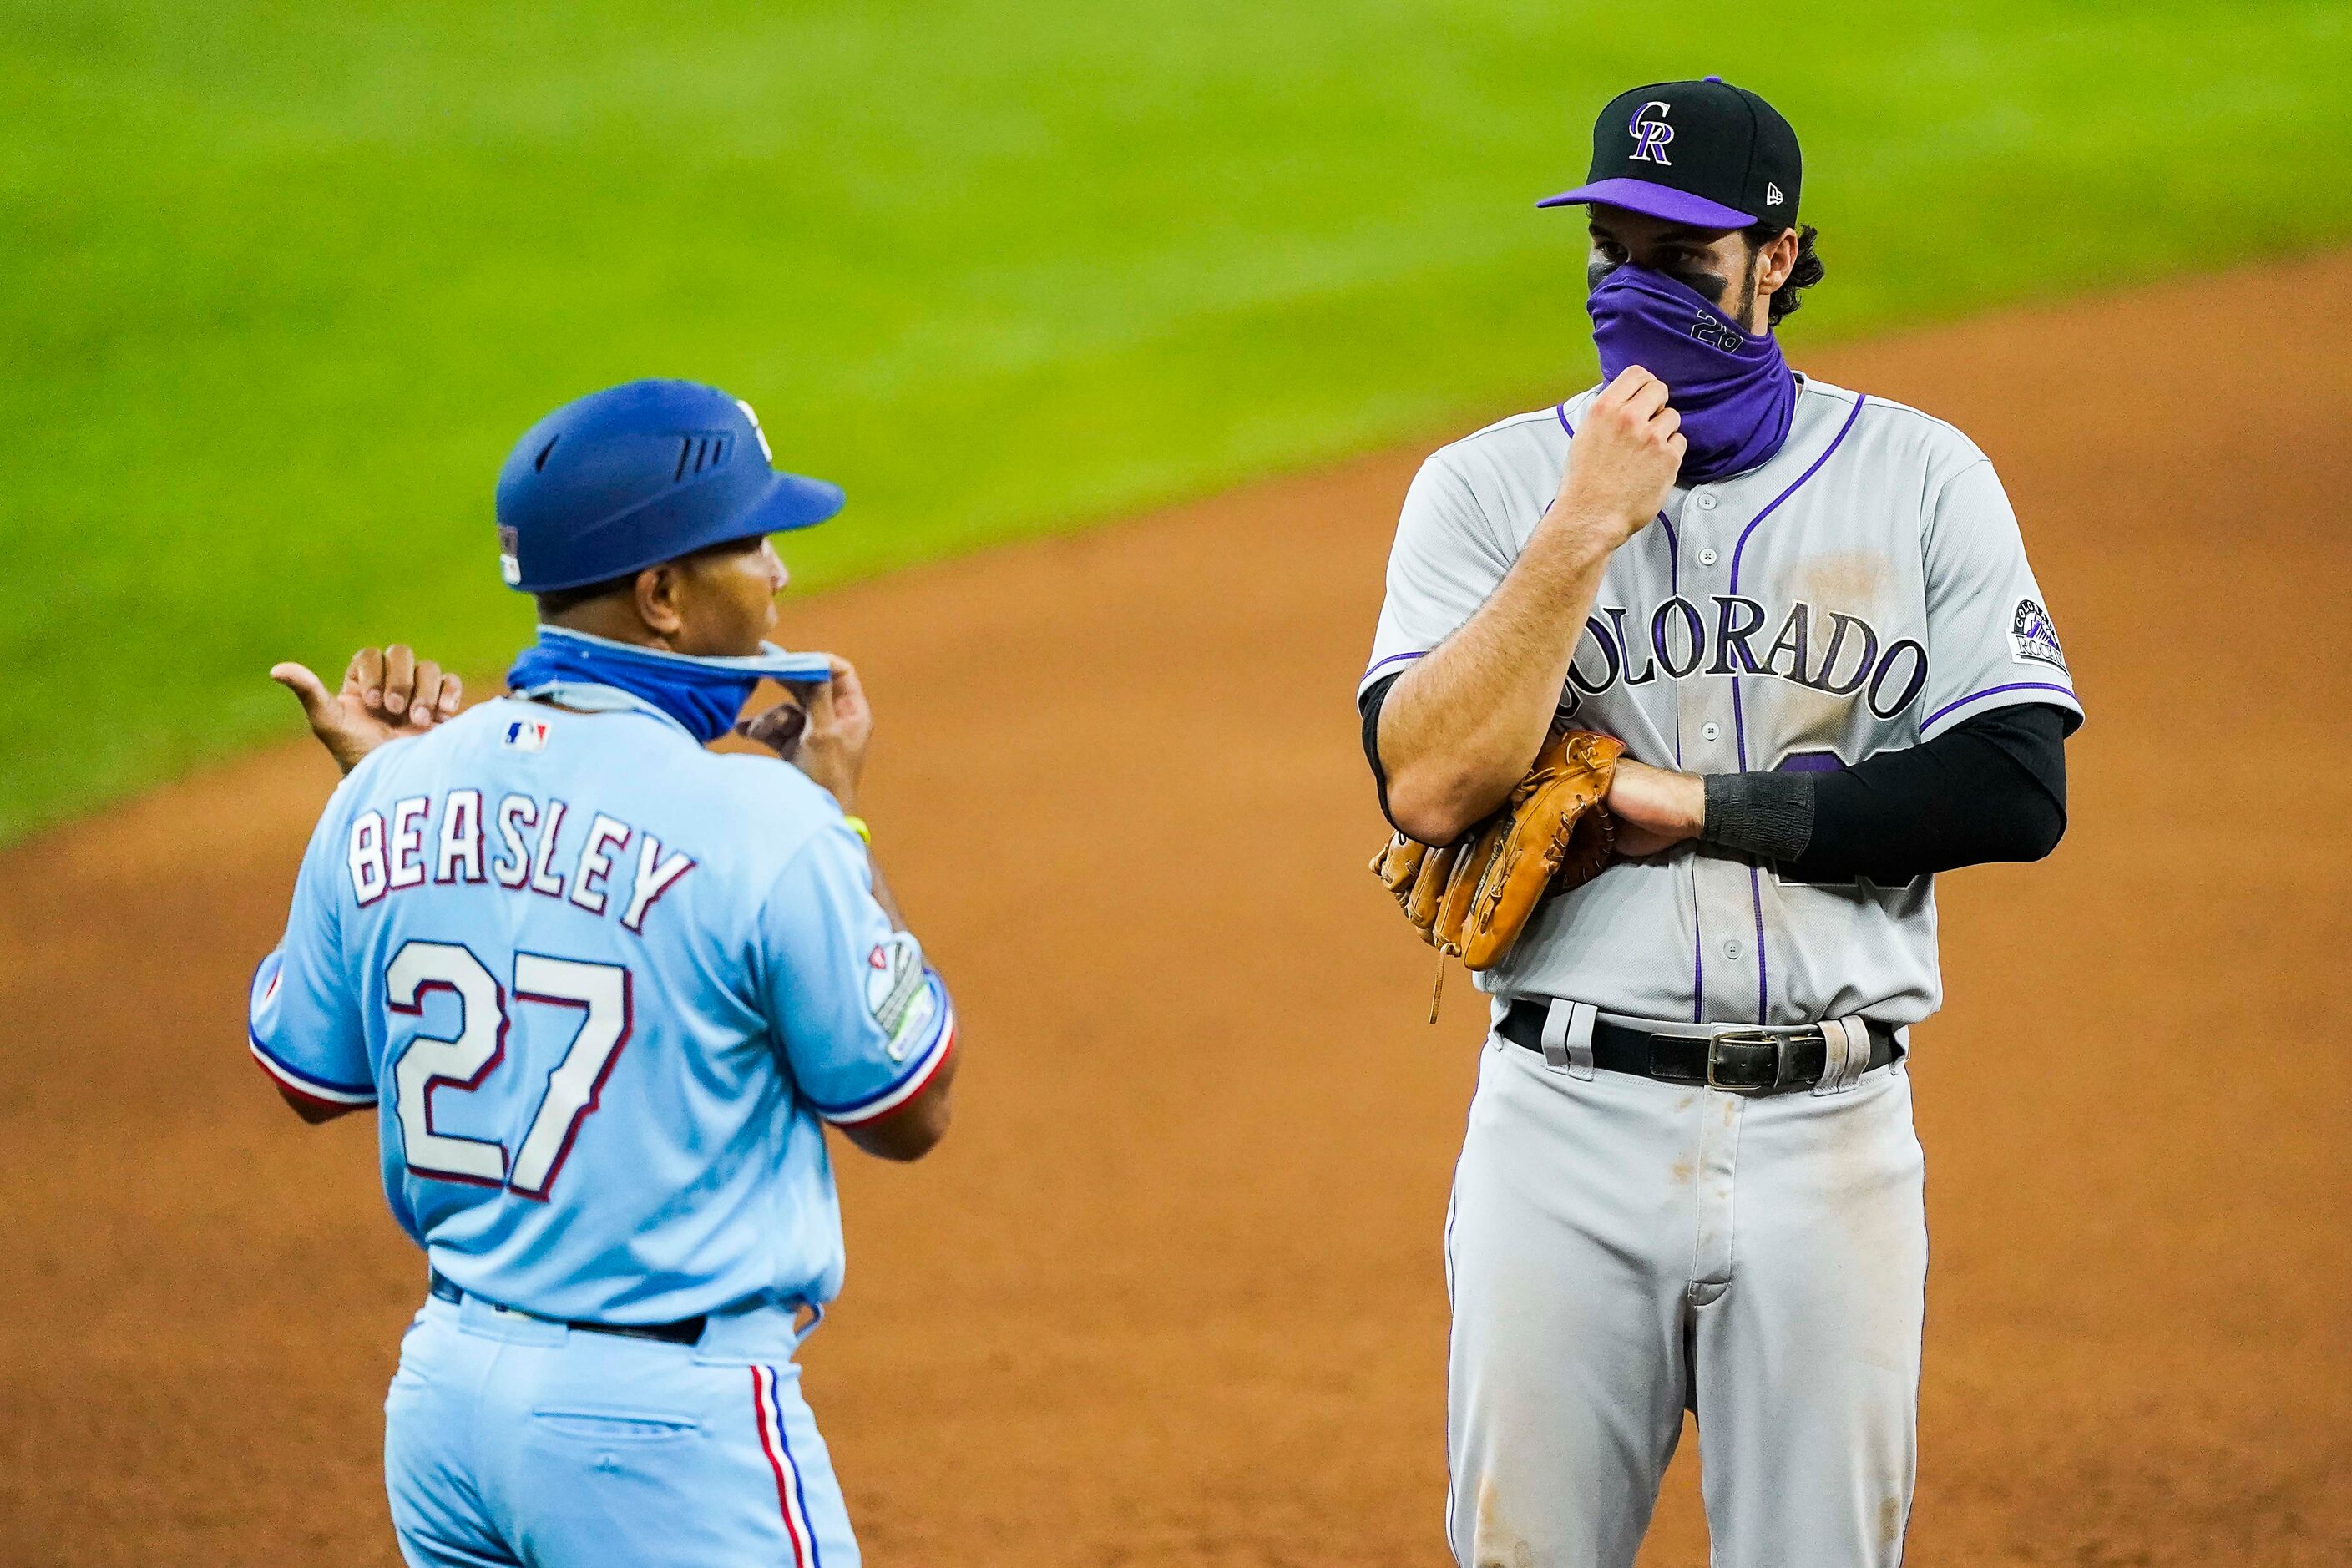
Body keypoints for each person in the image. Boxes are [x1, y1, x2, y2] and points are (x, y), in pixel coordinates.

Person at [1358, 78, 2080, 1568]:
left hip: (1833, 1136)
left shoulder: (1922, 476)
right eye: (1606, 249)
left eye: (1676, 258)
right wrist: (1580, 529)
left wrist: (1700, 807)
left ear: (1776, 257)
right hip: (1565, 1128)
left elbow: (2013, 786)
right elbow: (1425, 783)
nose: (1632, 290)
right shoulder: (1490, 489)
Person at [250, 377, 959, 1567]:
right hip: (662, 1440)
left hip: (444, 1411)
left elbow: (310, 1076)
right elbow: (905, 1105)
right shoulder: (764, 821)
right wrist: (836, 821)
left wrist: (391, 797)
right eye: (751, 541)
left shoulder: (388, 786)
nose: (781, 573)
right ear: (663, 596)